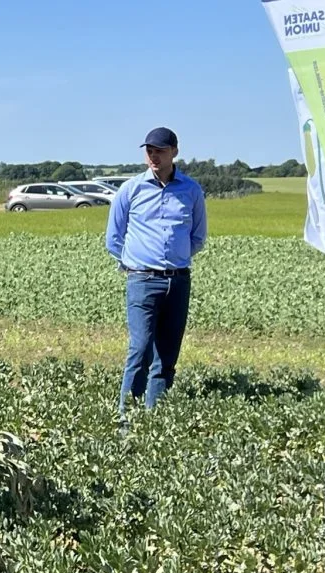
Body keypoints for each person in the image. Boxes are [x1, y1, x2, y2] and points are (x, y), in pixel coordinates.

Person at [106, 127, 208, 418]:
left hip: (178, 281)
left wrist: (176, 258)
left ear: (174, 152)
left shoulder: (191, 190)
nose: (153, 155)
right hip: (141, 279)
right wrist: (134, 264)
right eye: (149, 150)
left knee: (167, 356)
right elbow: (113, 238)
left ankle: (155, 419)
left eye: (159, 150)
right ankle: (126, 419)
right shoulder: (131, 189)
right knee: (140, 349)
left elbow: (198, 236)